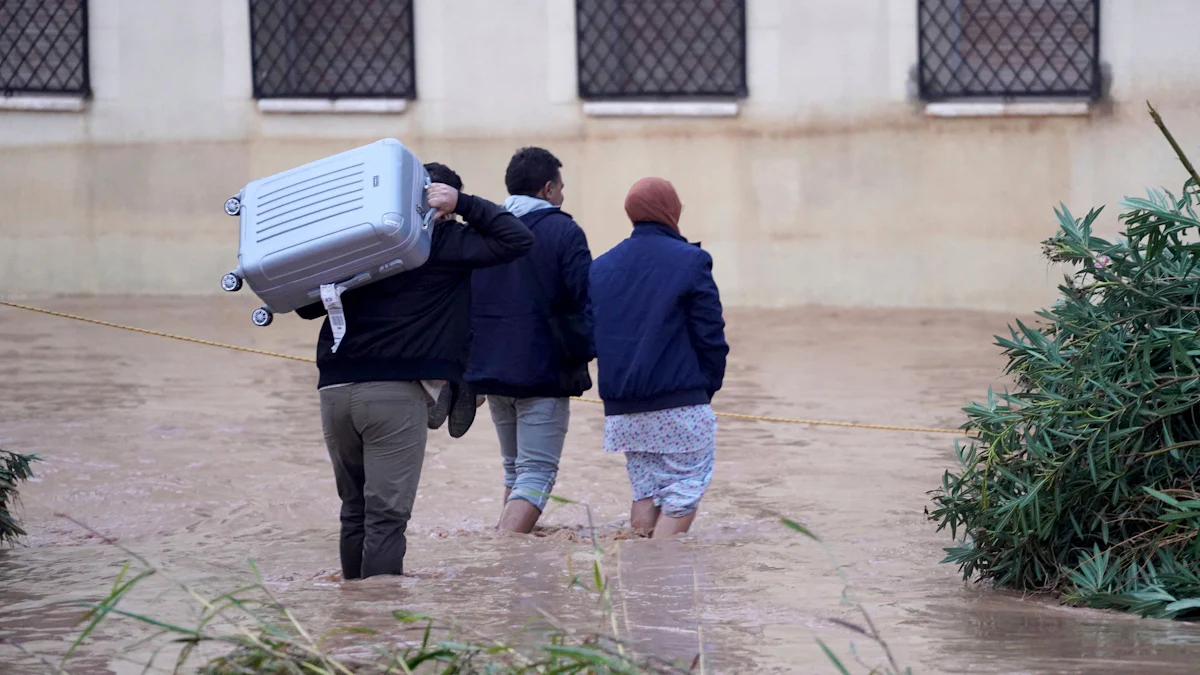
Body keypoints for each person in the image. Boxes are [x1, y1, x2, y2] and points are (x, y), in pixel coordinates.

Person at [298, 163, 534, 579]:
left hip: (333, 390)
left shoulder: (358, 241)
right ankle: (381, 627)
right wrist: (465, 205)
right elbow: (517, 238)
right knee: (386, 517)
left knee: (354, 510)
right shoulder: (440, 240)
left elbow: (304, 304)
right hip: (392, 395)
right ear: (438, 204)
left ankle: (351, 616)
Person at [588, 177, 729, 538]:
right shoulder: (691, 261)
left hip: (623, 411)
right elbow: (710, 336)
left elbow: (596, 334)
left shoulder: (601, 267)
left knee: (645, 490)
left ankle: (639, 575)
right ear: (670, 210)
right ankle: (661, 571)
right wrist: (705, 388)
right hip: (680, 405)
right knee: (683, 492)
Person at [466, 147, 594, 534]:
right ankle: (503, 551)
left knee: (515, 468)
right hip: (542, 371)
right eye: (561, 188)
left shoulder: (483, 229)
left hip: (490, 372)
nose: (563, 196)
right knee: (537, 475)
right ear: (547, 189)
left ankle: (515, 560)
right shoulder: (564, 230)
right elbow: (586, 297)